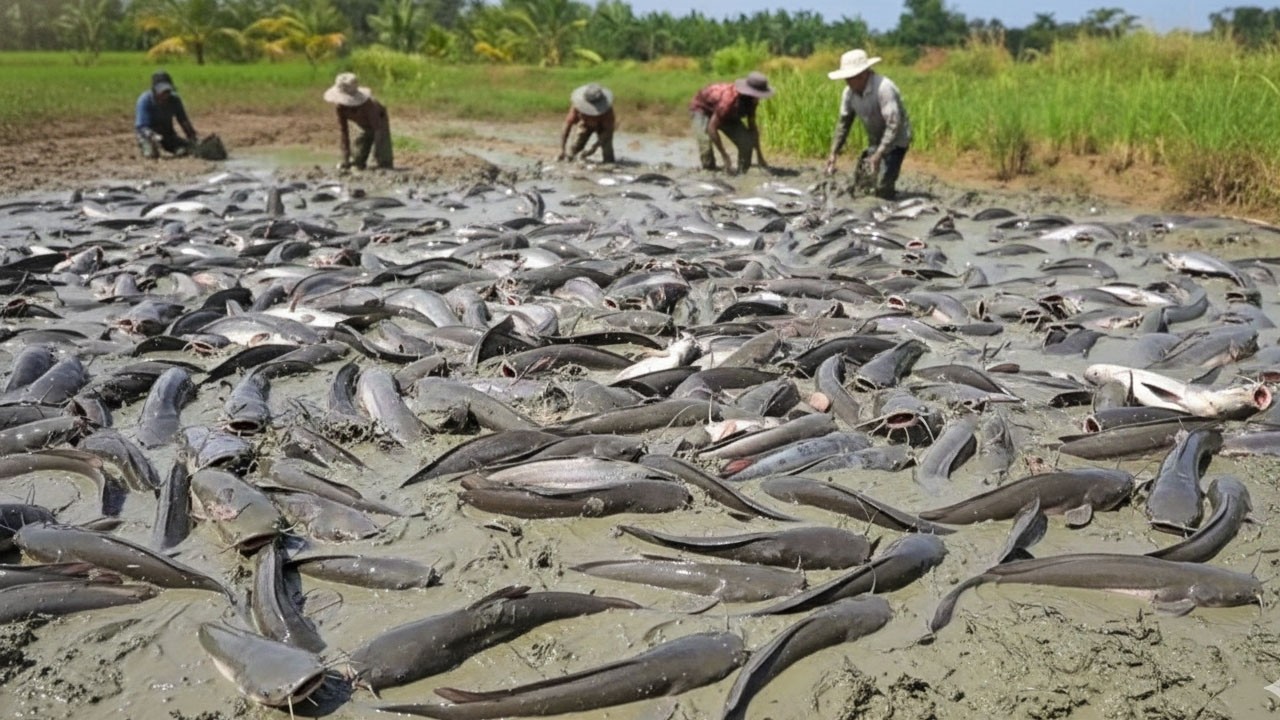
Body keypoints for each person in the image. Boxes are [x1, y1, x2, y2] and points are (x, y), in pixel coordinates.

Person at [825, 49, 913, 199]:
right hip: (875, 139)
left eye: (851, 77)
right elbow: (844, 124)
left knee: (883, 187)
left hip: (896, 139)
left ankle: (889, 196)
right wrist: (833, 153)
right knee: (862, 185)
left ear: (863, 74)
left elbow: (893, 124)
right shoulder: (849, 93)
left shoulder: (884, 88)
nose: (847, 81)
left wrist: (879, 154)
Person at [689, 71, 773, 175]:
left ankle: (742, 171)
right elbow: (712, 128)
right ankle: (709, 171)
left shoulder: (752, 101)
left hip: (726, 113)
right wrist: (724, 155)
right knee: (705, 145)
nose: (758, 98)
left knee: (746, 142)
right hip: (702, 109)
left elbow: (752, 128)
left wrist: (759, 155)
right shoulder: (728, 100)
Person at [323, 72, 393, 171]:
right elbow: (344, 132)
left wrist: (376, 155)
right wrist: (345, 157)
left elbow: (377, 129)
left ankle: (383, 162)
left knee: (383, 158)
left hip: (379, 120)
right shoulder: (340, 108)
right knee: (357, 157)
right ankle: (357, 161)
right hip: (363, 125)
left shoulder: (368, 105)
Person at [135, 70, 198, 159]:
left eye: (168, 91)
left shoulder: (175, 100)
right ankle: (150, 149)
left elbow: (183, 120)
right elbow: (142, 127)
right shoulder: (145, 100)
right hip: (149, 135)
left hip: (167, 135)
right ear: (154, 90)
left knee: (185, 149)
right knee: (151, 154)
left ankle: (176, 148)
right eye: (163, 91)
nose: (166, 94)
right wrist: (153, 136)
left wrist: (192, 137)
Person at [559, 83, 616, 163]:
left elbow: (607, 131)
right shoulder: (577, 107)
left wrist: (592, 148)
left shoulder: (607, 112)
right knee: (573, 151)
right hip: (585, 125)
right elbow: (567, 125)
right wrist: (562, 149)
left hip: (602, 128)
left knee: (608, 156)